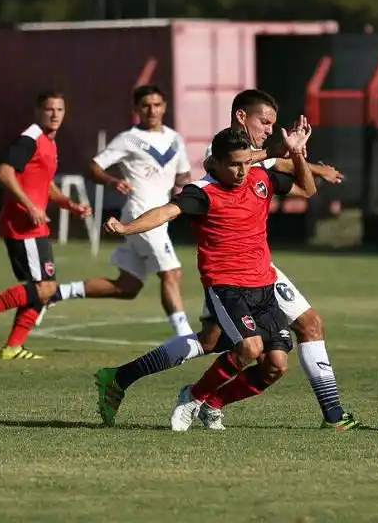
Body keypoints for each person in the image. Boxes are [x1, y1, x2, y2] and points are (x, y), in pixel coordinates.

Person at [98, 118, 316, 431]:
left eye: (245, 163)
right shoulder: (202, 192)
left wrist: (297, 155)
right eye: (233, 165)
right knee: (249, 347)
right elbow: (164, 212)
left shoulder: (260, 177)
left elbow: (307, 189)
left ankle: (207, 402)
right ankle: (193, 396)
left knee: (274, 366)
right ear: (214, 162)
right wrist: (125, 227)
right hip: (226, 287)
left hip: (264, 286)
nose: (240, 172)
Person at [190, 91, 358, 431]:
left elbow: (293, 181)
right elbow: (267, 160)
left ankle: (333, 415)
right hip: (227, 272)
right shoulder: (222, 153)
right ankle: (156, 384)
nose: (269, 129)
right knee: (209, 343)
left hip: (259, 268)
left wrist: (303, 160)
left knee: (301, 334)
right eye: (263, 122)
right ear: (241, 116)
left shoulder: (258, 158)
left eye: (272, 124)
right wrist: (297, 157)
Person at [37, 85, 195, 338]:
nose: (152, 110)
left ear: (164, 107)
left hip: (160, 217)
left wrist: (194, 189)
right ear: (136, 109)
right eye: (145, 105)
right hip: (140, 214)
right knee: (172, 273)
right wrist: (112, 181)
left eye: (157, 104)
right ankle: (185, 337)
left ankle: (55, 294)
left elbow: (183, 176)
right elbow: (94, 166)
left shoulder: (175, 138)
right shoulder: (130, 138)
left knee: (127, 286)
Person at [0, 91, 91, 360]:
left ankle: (13, 347)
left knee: (43, 289)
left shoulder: (50, 143)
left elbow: (46, 184)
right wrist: (30, 206)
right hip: (22, 224)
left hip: (35, 226)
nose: (55, 114)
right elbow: (4, 172)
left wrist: (70, 204)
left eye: (60, 110)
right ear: (37, 111)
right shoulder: (29, 138)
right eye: (49, 109)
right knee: (45, 288)